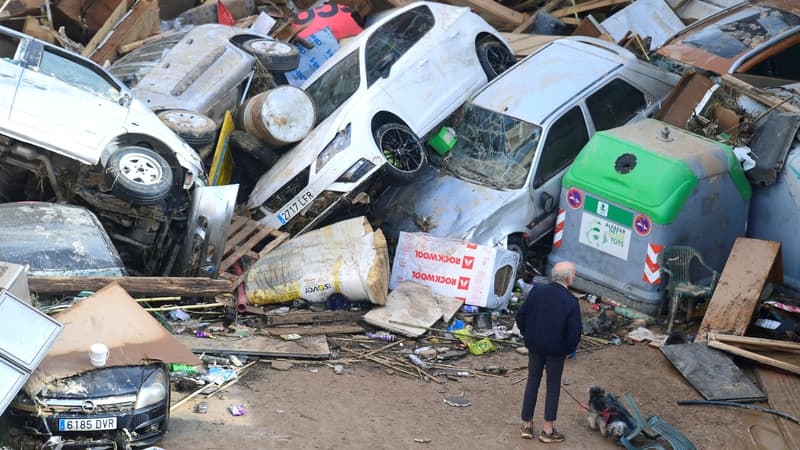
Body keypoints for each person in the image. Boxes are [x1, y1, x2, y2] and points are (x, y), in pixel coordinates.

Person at [515, 261, 582, 443]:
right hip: (556, 351)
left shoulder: (537, 291)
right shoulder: (571, 302)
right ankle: (547, 430)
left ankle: (527, 425)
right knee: (553, 386)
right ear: (569, 278)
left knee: (532, 381)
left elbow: (520, 315)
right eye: (574, 274)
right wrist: (570, 349)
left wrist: (526, 333)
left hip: (535, 346)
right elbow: (575, 332)